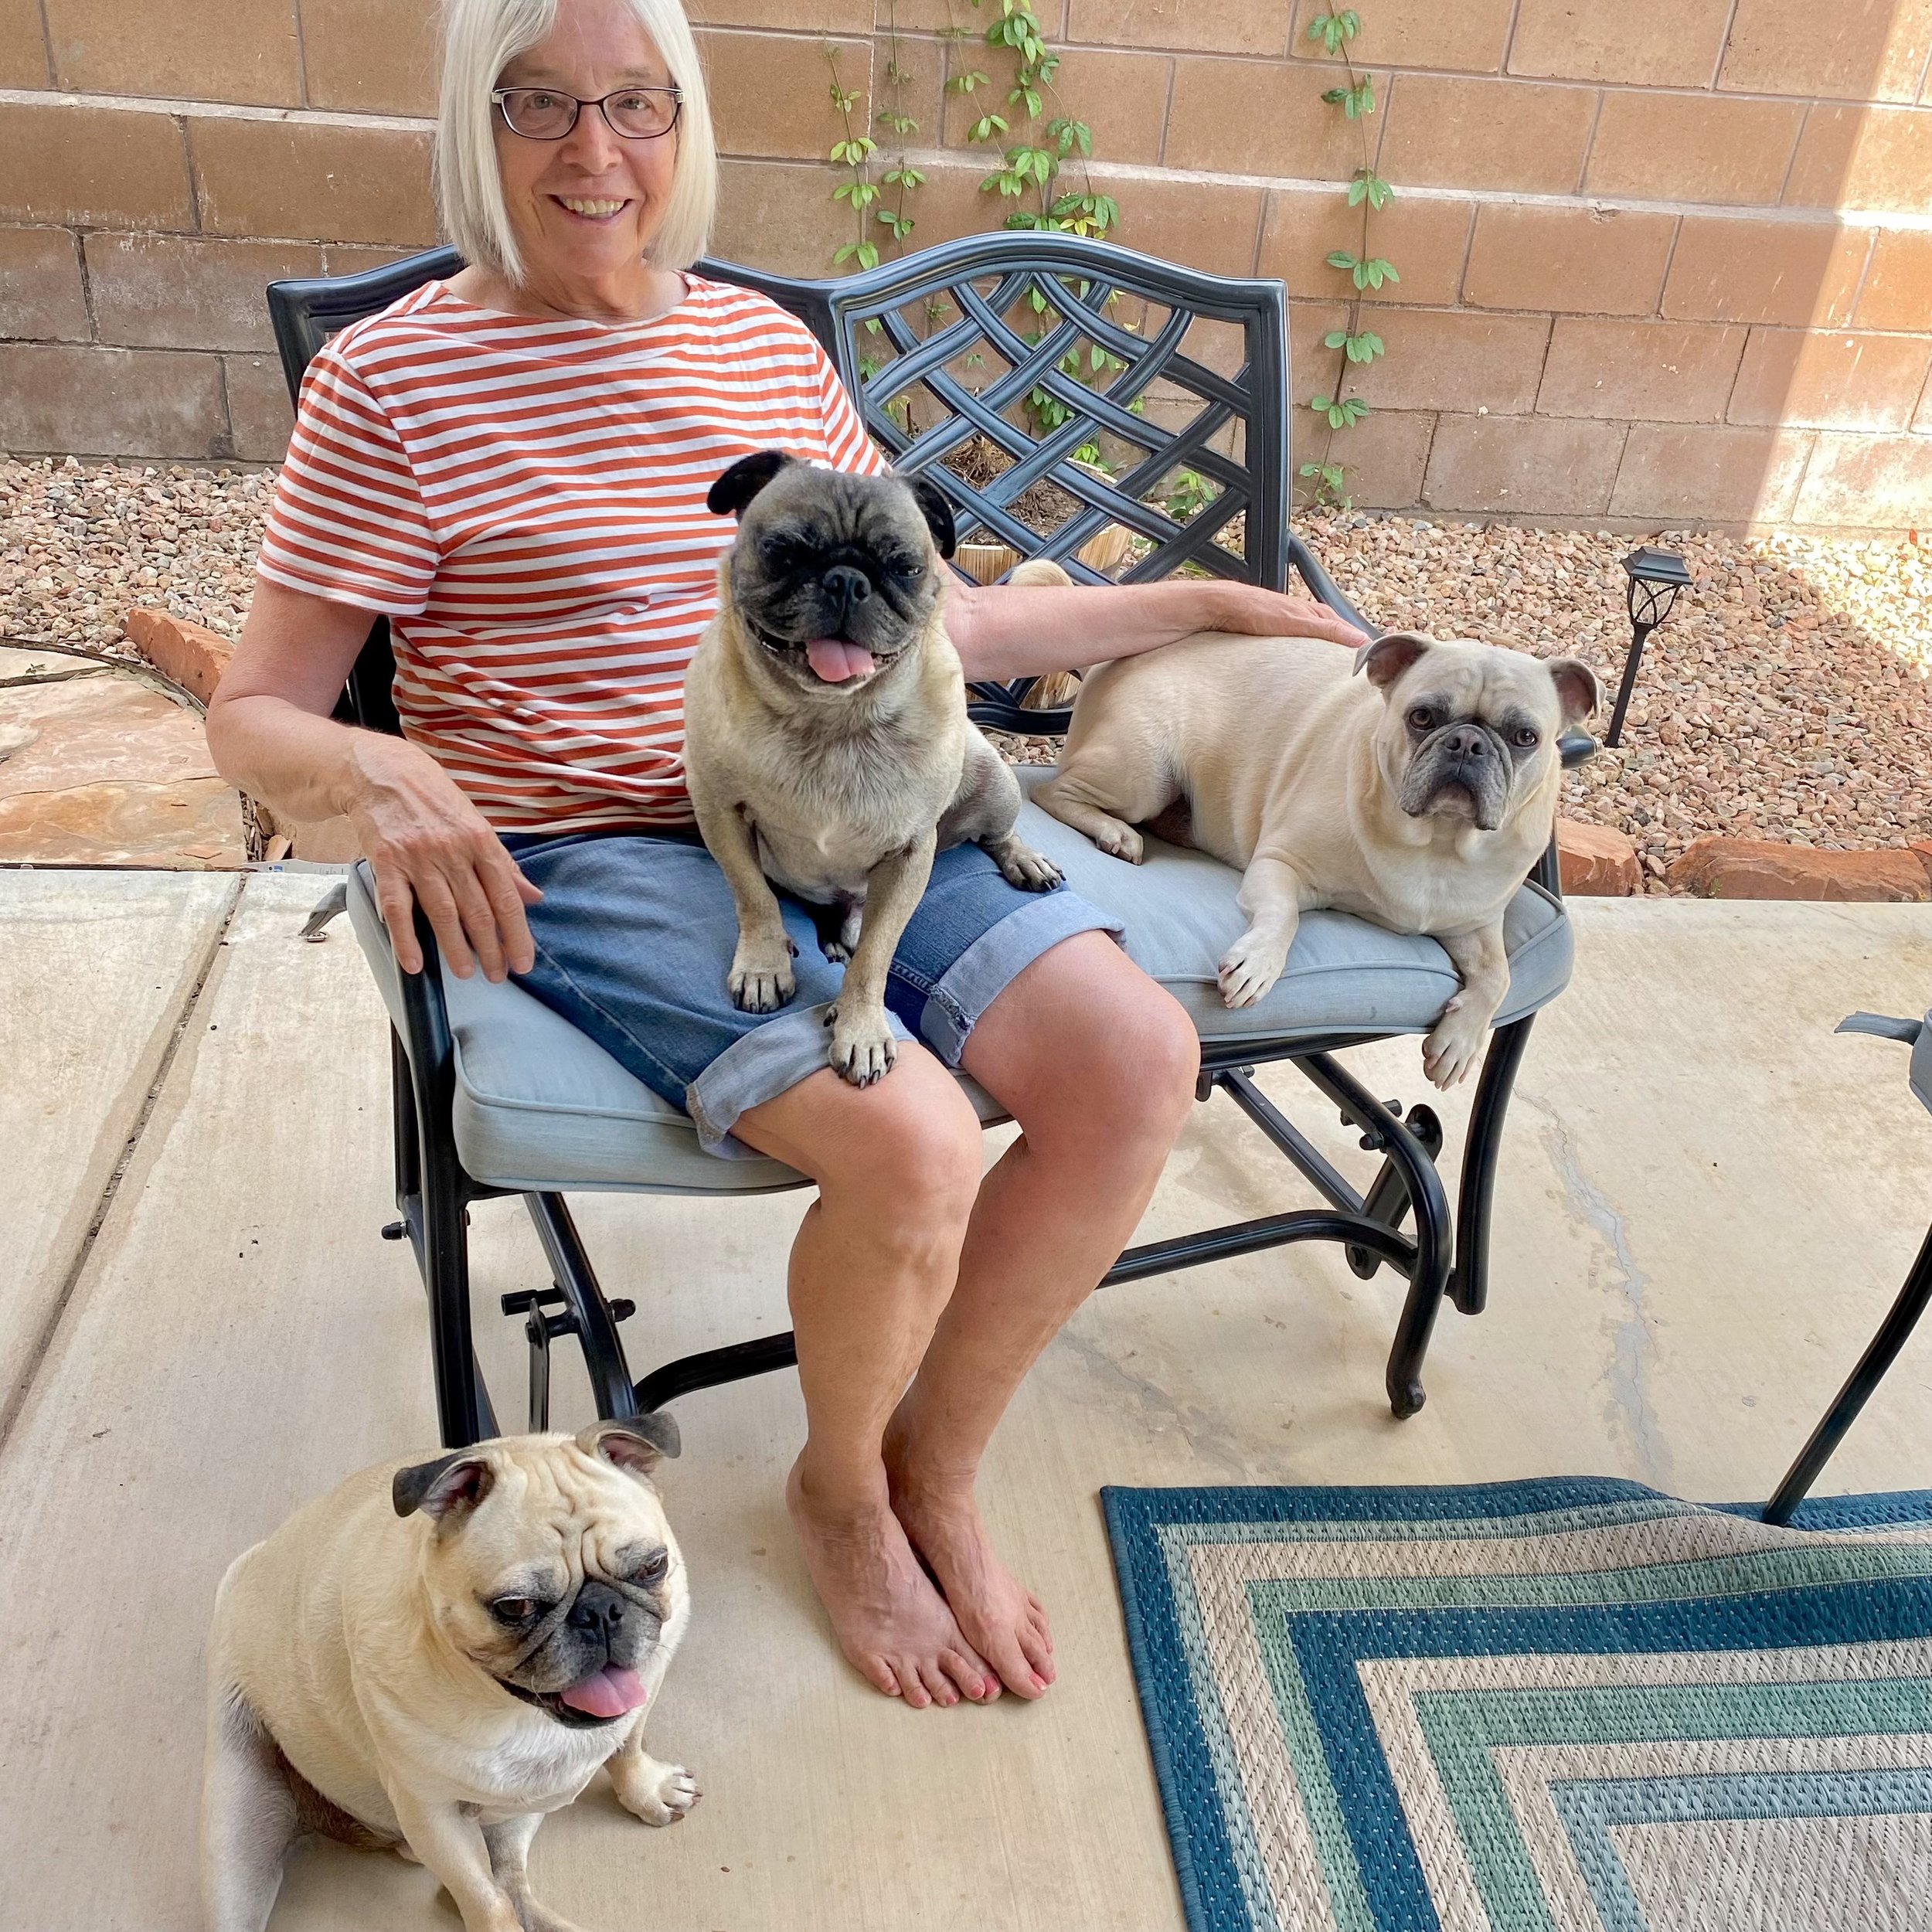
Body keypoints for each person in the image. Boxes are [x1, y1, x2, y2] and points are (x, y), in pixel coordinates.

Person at [206, 0, 1366, 1712]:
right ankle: (837, 1486)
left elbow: (935, 609)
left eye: (633, 102)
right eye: (537, 104)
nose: (592, 152)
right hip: (601, 849)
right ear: (476, 119)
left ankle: (931, 1465)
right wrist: (378, 767)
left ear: (683, 119)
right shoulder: (396, 380)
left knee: (1133, 1057)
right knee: (907, 1140)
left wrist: (1198, 597)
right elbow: (254, 713)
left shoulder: (754, 343)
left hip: (856, 791)